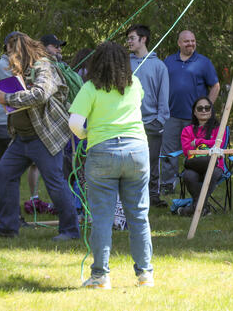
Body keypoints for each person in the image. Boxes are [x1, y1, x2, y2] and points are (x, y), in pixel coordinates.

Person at [68, 41, 154, 289]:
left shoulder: (90, 88)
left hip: (103, 152)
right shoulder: (134, 84)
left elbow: (75, 123)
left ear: (96, 63)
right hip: (137, 151)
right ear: (125, 63)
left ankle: (100, 276)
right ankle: (145, 274)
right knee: (138, 215)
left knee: (102, 218)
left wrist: (86, 136)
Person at [0, 32, 79, 240]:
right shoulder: (23, 69)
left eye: (10, 52)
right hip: (22, 137)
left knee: (55, 182)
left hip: (44, 136)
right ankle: (8, 226)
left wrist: (6, 97)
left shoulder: (44, 66)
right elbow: (17, 94)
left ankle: (70, 230)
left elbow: (40, 94)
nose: (8, 57)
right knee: (4, 173)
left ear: (20, 49)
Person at [161, 30, 219, 196]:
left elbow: (215, 86)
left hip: (194, 120)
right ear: (179, 43)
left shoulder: (203, 62)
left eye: (193, 41)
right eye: (186, 41)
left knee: (195, 152)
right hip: (171, 115)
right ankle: (167, 184)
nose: (190, 44)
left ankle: (196, 183)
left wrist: (206, 109)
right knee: (169, 153)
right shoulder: (169, 61)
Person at [126, 25, 169, 208]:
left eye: (132, 38)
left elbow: (163, 94)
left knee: (151, 161)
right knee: (129, 162)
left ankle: (153, 195)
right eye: (128, 38)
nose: (128, 42)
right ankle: (132, 195)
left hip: (152, 121)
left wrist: (160, 119)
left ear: (143, 39)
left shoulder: (158, 65)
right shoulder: (125, 64)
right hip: (129, 122)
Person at [176, 96, 228, 216]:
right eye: (200, 108)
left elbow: (219, 144)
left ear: (211, 110)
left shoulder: (219, 129)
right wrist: (209, 144)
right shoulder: (187, 130)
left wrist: (198, 142)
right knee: (188, 175)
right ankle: (201, 208)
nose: (204, 111)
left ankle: (194, 209)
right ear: (195, 112)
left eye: (207, 108)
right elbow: (187, 151)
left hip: (215, 165)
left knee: (212, 172)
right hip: (194, 165)